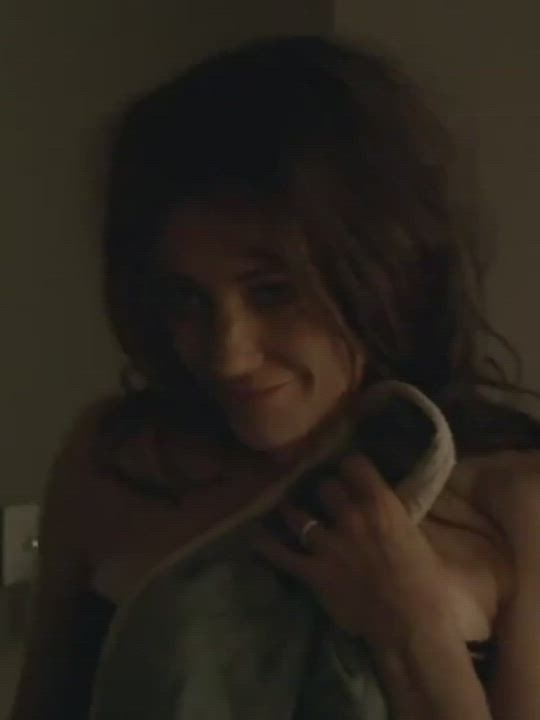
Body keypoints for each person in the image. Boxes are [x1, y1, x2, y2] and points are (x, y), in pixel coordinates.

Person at [10, 34, 540, 720]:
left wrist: (411, 628)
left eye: (273, 293)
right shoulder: (113, 461)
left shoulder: (515, 503)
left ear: (384, 269)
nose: (228, 356)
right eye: (186, 298)